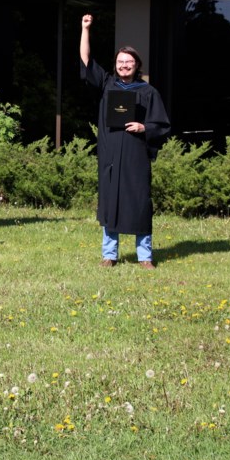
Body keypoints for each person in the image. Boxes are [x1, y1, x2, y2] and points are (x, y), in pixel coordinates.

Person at [80, 15, 170, 269]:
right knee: (110, 202)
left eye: (129, 62)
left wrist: (144, 127)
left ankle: (145, 257)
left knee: (140, 203)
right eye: (120, 62)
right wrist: (85, 29)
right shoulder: (108, 84)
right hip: (110, 156)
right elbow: (86, 61)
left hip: (136, 156)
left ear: (136, 65)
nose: (124, 66)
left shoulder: (148, 92)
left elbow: (162, 126)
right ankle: (109, 255)